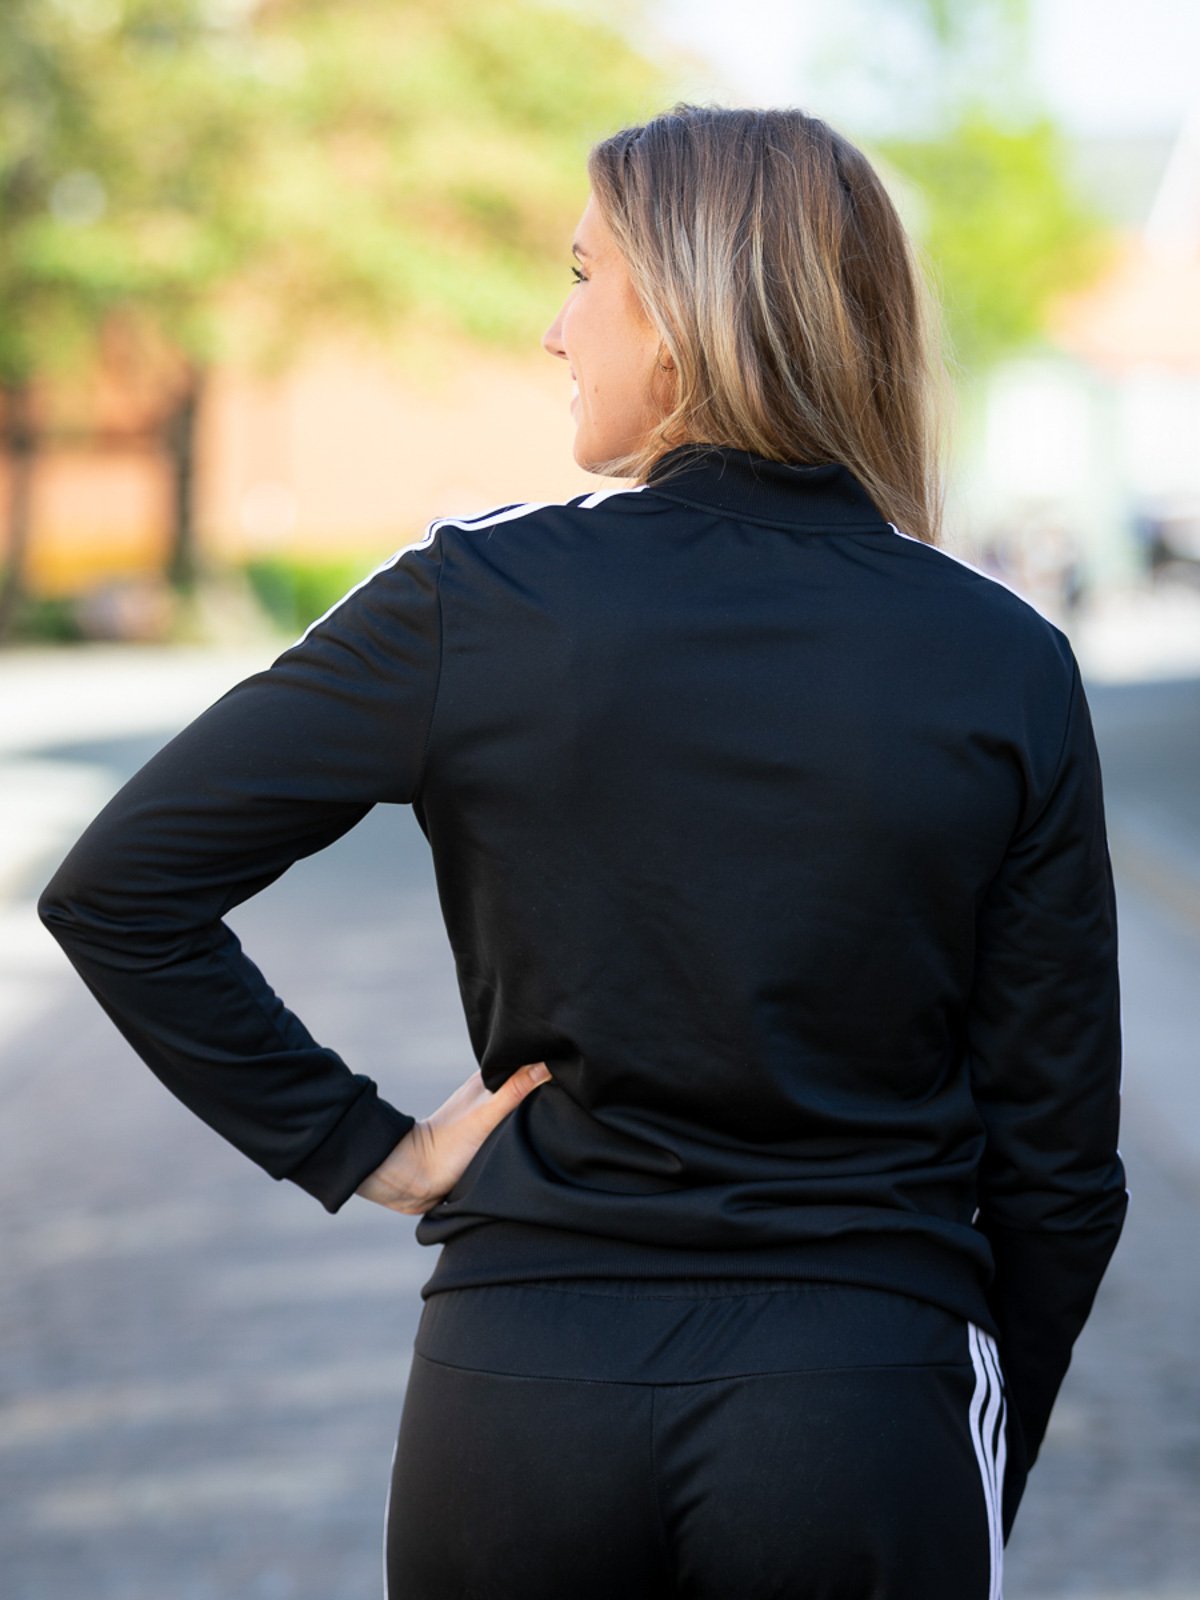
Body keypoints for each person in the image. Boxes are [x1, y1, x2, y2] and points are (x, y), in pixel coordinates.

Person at [38, 103, 1127, 1600]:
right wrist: (955, 1449)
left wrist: (364, 1148)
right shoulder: (1001, 655)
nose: (555, 330)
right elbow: (1060, 1167)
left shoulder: (476, 595)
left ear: (680, 316)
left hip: (517, 1402)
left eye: (579, 274)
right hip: (861, 1391)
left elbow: (120, 886)